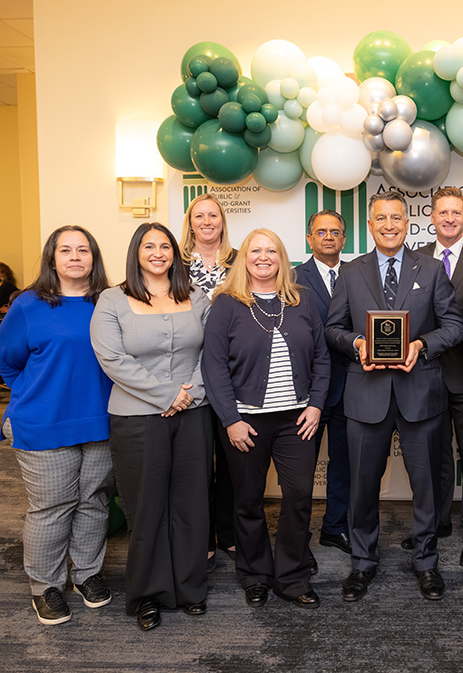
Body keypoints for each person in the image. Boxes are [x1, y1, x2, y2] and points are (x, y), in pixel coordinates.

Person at [325, 190, 463, 602]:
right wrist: (358, 345)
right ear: (370, 225)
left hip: (420, 392)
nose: (389, 225)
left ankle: (426, 561)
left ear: (408, 224)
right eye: (381, 219)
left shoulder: (432, 269)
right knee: (363, 486)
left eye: (397, 219)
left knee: (427, 487)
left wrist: (420, 346)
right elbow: (333, 329)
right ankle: (363, 563)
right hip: (366, 394)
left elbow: (453, 325)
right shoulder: (351, 272)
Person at [90, 222, 211, 631]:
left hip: (194, 413)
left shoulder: (195, 296)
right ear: (135, 252)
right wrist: (167, 395)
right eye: (149, 246)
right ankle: (148, 595)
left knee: (192, 503)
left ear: (176, 253)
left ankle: (190, 588)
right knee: (147, 508)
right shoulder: (112, 299)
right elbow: (112, 359)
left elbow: (213, 351)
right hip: (137, 418)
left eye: (165, 245)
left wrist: (189, 395)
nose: (158, 252)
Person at [203, 228, 329, 610]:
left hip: (297, 420)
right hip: (246, 422)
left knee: (298, 497)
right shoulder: (226, 304)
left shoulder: (302, 302)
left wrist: (316, 405)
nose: (263, 256)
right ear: (244, 258)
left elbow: (322, 358)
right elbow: (213, 367)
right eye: (255, 250)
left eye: (270, 250)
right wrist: (230, 419)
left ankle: (291, 575)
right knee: (247, 501)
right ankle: (255, 573)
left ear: (282, 257)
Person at [0, 226, 113, 625]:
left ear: (94, 258)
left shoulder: (111, 301)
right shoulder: (28, 305)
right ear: (52, 258)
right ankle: (44, 586)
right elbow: (9, 363)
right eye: (66, 250)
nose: (75, 256)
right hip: (44, 423)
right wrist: (40, 394)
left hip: (102, 422)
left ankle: (86, 575)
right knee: (51, 507)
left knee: (93, 501)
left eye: (83, 250)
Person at [412, 187, 463, 567]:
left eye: (455, 212)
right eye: (442, 212)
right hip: (425, 375)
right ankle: (437, 523)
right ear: (432, 216)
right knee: (434, 457)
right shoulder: (417, 258)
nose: (448, 218)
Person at [179, 192, 237, 570]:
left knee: (232, 461)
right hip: (189, 371)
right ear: (190, 221)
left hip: (233, 370)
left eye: (212, 215)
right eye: (199, 215)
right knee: (197, 462)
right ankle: (200, 536)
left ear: (222, 221)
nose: (206, 221)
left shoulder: (238, 262)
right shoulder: (174, 264)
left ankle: (229, 532)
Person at [294, 210, 352, 556]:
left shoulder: (358, 274)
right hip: (307, 390)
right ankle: (297, 540)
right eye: (321, 231)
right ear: (309, 238)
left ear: (343, 239)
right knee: (301, 469)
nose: (328, 237)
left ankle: (334, 527)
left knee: (343, 464)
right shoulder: (291, 278)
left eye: (335, 232)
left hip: (350, 387)